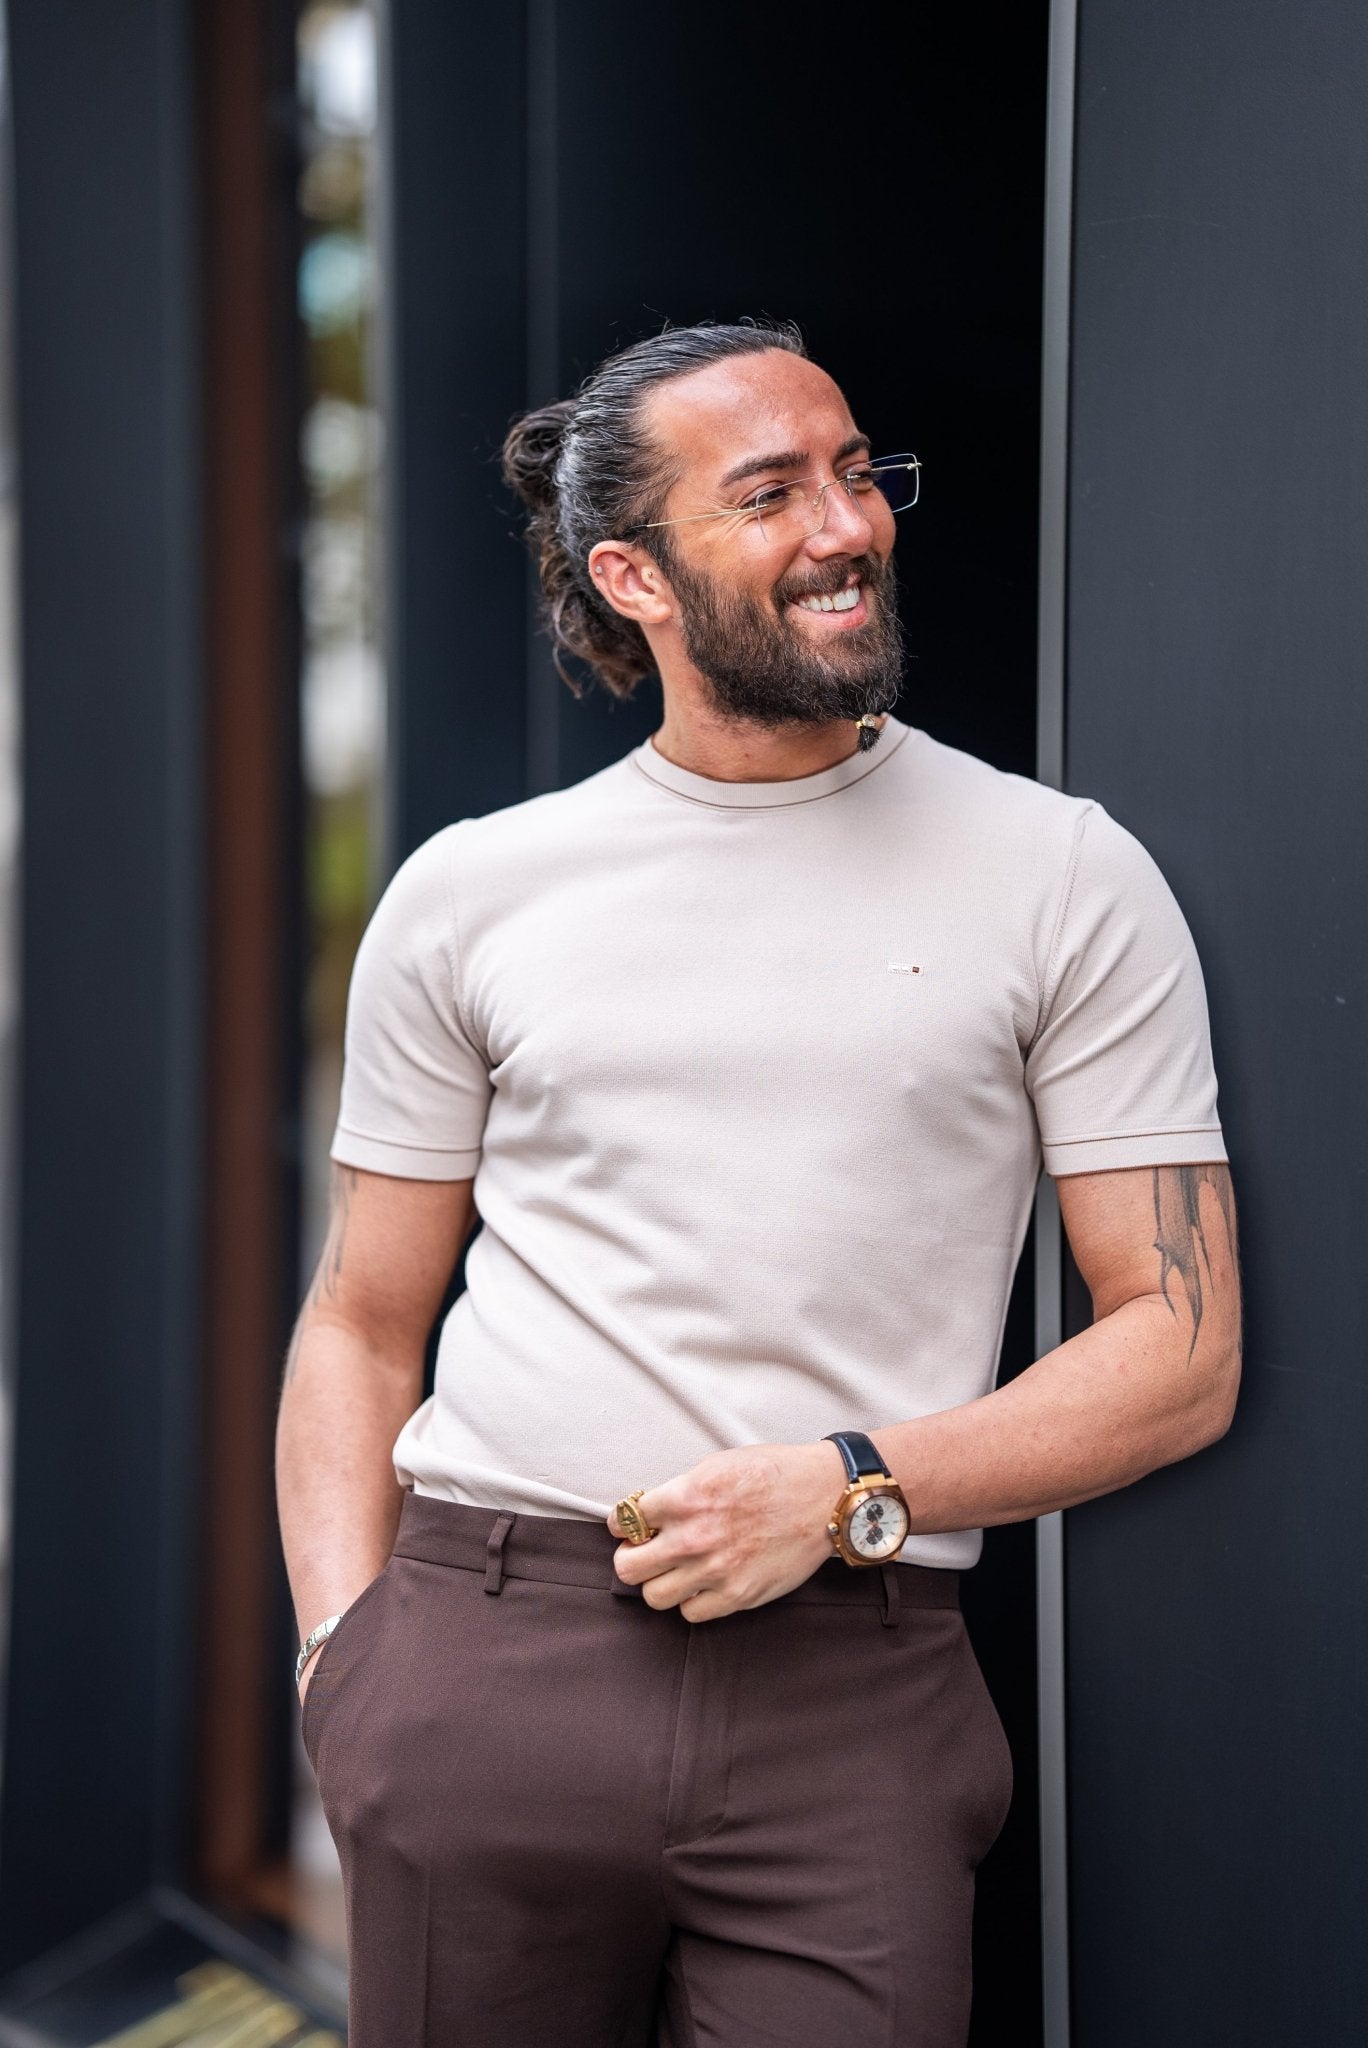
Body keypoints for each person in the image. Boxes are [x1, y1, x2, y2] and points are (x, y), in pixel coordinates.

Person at [276, 320, 1241, 2047]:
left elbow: (1180, 1337)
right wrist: (342, 1658)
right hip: (481, 1657)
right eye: (775, 492)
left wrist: (852, 1484)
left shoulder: (1063, 873)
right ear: (632, 575)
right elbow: (360, 1319)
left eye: (861, 473)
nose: (848, 524)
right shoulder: (473, 893)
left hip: (852, 1678)